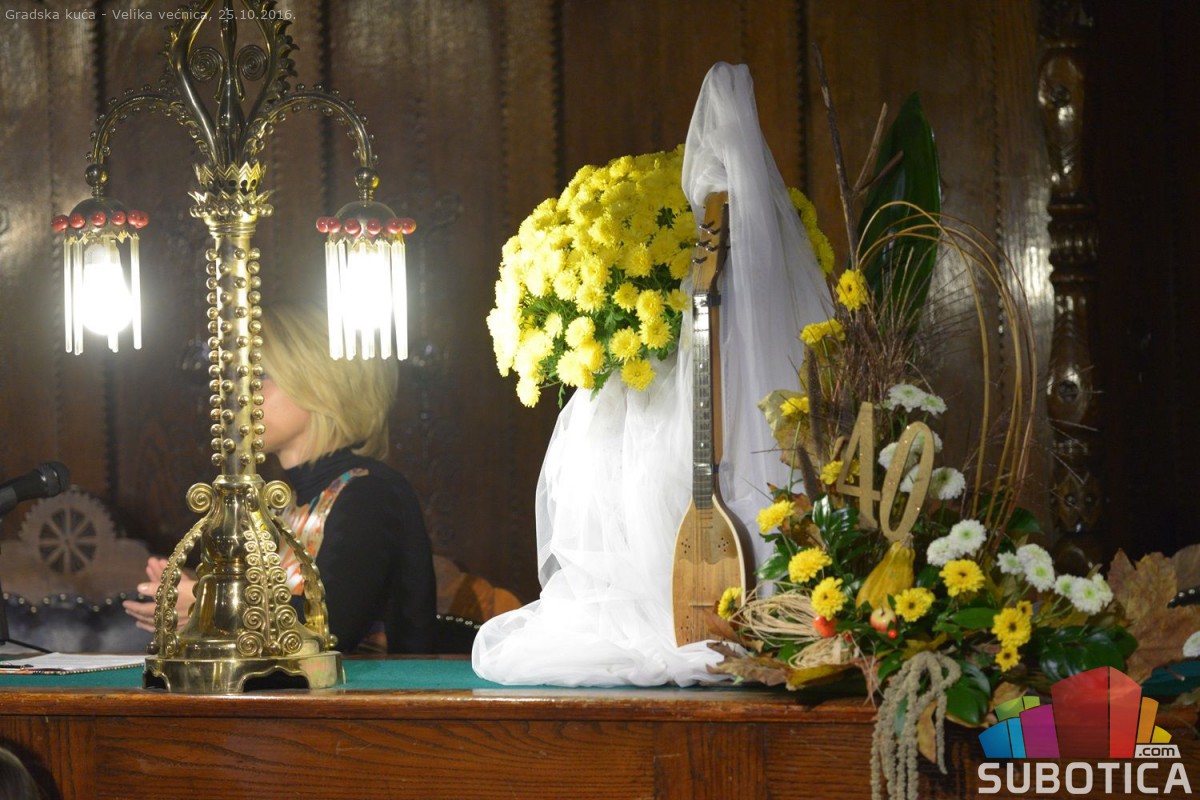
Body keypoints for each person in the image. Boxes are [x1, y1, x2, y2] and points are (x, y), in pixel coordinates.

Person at [124, 303, 436, 654]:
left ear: (319, 384)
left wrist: (207, 608)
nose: (236, 399)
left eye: (257, 378)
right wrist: (198, 596)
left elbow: (329, 630)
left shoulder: (370, 492)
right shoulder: (284, 499)